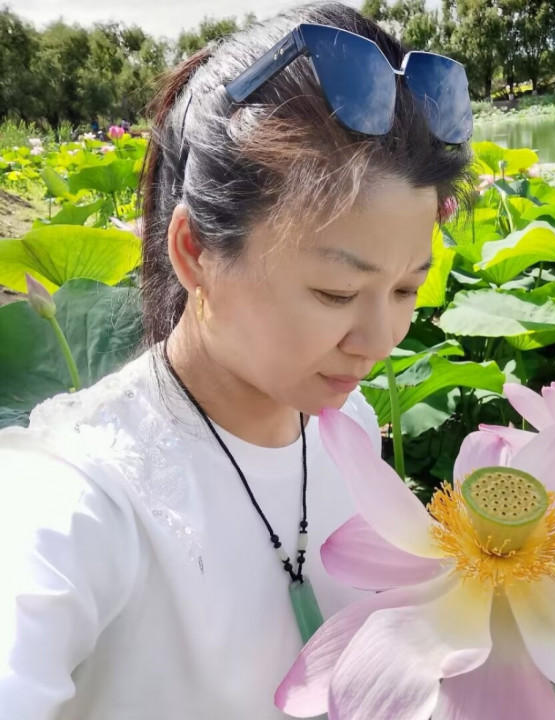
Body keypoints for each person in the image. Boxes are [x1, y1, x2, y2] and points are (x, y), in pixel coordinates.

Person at [0, 2, 472, 718]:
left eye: (408, 288)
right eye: (336, 291)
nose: (380, 340)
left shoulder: (348, 427)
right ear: (195, 250)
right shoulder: (74, 500)